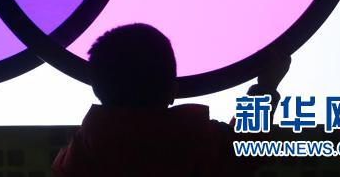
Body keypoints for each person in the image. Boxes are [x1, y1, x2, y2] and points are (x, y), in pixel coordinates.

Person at [52, 23, 290, 177]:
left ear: (97, 88)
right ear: (173, 90)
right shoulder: (201, 142)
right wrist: (266, 87)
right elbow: (247, 147)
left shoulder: (79, 158)